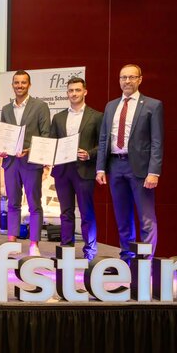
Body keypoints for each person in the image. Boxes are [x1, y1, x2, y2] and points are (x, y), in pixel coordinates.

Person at [96, 64, 163, 258]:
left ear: (140, 79)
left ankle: (146, 263)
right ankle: (127, 259)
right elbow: (104, 139)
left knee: (146, 219)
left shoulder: (152, 105)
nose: (127, 81)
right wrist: (100, 168)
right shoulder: (111, 106)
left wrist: (154, 172)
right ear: (119, 80)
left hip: (141, 169)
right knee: (122, 218)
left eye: (132, 77)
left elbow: (157, 141)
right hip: (115, 166)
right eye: (123, 77)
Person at [0, 70, 50, 256]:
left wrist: (31, 150)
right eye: (16, 82)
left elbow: (46, 135)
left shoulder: (40, 106)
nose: (19, 85)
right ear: (12, 85)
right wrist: (2, 149)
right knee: (12, 203)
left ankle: (34, 244)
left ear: (29, 85)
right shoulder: (6, 109)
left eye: (23, 82)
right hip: (11, 162)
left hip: (31, 162)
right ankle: (11, 241)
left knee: (34, 204)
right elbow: (3, 134)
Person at [50, 77, 102, 259]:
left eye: (77, 90)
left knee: (87, 213)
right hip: (62, 171)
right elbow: (52, 143)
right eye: (71, 90)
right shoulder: (58, 117)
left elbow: (103, 144)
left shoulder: (96, 116)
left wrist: (89, 154)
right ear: (67, 93)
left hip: (84, 170)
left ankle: (90, 252)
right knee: (65, 213)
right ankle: (66, 251)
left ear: (85, 92)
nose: (74, 94)